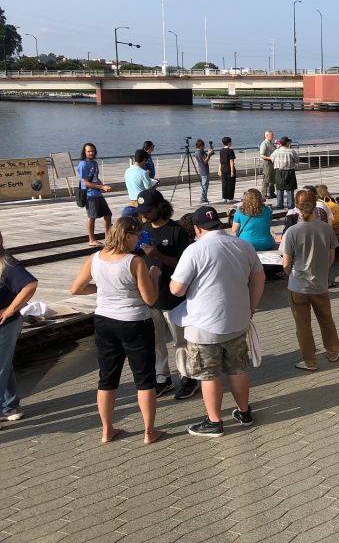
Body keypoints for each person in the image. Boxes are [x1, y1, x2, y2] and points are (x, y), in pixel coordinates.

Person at [169, 206, 265, 437]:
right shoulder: (243, 245)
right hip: (237, 320)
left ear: (197, 228)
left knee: (208, 375)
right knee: (238, 369)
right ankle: (244, 412)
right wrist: (251, 307)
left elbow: (177, 290)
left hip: (204, 326)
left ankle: (214, 422)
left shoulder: (195, 250)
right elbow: (259, 277)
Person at [70, 216, 163, 444]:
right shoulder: (135, 262)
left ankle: (106, 430)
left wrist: (102, 288)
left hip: (104, 321)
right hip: (134, 322)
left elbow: (76, 289)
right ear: (128, 235)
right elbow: (150, 299)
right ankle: (149, 432)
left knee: (107, 379)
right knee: (144, 379)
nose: (138, 242)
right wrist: (154, 277)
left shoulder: (95, 258)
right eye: (137, 236)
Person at [136, 189, 191, 399]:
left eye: (148, 210)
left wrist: (157, 254)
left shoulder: (177, 231)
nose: (145, 215)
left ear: (160, 206)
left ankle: (187, 377)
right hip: (150, 296)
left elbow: (185, 265)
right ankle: (162, 377)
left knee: (180, 340)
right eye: (142, 211)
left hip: (173, 296)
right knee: (156, 340)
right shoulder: (143, 229)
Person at [282, 195, 339, 371]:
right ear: (315, 206)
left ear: (297, 208)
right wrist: (322, 271)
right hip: (320, 284)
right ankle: (333, 352)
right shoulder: (326, 228)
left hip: (298, 285)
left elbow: (286, 264)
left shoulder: (292, 232)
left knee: (303, 326)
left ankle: (310, 361)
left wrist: (291, 274)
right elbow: (331, 257)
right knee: (326, 320)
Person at [0, 229, 37, 421]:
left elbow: (29, 285)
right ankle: (10, 405)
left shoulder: (6, 263)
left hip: (5, 323)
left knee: (0, 365)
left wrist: (10, 309)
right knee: (3, 363)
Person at [77, 143, 113, 246]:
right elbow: (85, 182)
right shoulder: (83, 164)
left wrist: (103, 185)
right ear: (84, 152)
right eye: (88, 151)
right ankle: (91, 239)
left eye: (92, 151)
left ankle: (108, 237)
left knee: (107, 214)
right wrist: (101, 187)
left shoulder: (95, 163)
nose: (91, 153)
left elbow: (95, 178)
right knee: (91, 216)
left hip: (97, 193)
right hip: (89, 194)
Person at [271, 136, 299, 210]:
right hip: (289, 171)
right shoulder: (291, 151)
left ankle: (280, 205)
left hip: (279, 172)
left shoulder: (276, 151)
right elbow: (297, 160)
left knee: (279, 189)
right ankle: (290, 205)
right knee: (290, 189)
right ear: (287, 143)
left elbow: (272, 159)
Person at [194, 139, 214, 204]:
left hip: (204, 170)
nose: (204, 147)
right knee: (204, 185)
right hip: (203, 171)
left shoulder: (201, 152)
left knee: (206, 185)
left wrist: (209, 153)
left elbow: (207, 158)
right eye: (203, 146)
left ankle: (204, 198)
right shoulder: (198, 153)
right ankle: (202, 199)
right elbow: (205, 161)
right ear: (200, 146)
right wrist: (208, 154)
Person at [259, 130, 276, 201]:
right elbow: (262, 155)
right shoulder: (264, 144)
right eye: (271, 135)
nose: (272, 136)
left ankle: (271, 192)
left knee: (272, 178)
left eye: (272, 135)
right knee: (266, 178)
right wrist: (269, 158)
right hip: (267, 162)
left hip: (272, 162)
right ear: (266, 136)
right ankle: (264, 194)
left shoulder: (271, 143)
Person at [219, 137, 236, 203]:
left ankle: (224, 197)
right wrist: (232, 171)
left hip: (223, 168)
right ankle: (230, 198)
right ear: (228, 143)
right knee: (231, 183)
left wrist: (219, 170)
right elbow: (231, 161)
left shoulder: (221, 151)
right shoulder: (230, 151)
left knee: (224, 184)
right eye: (230, 142)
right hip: (229, 168)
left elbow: (220, 161)